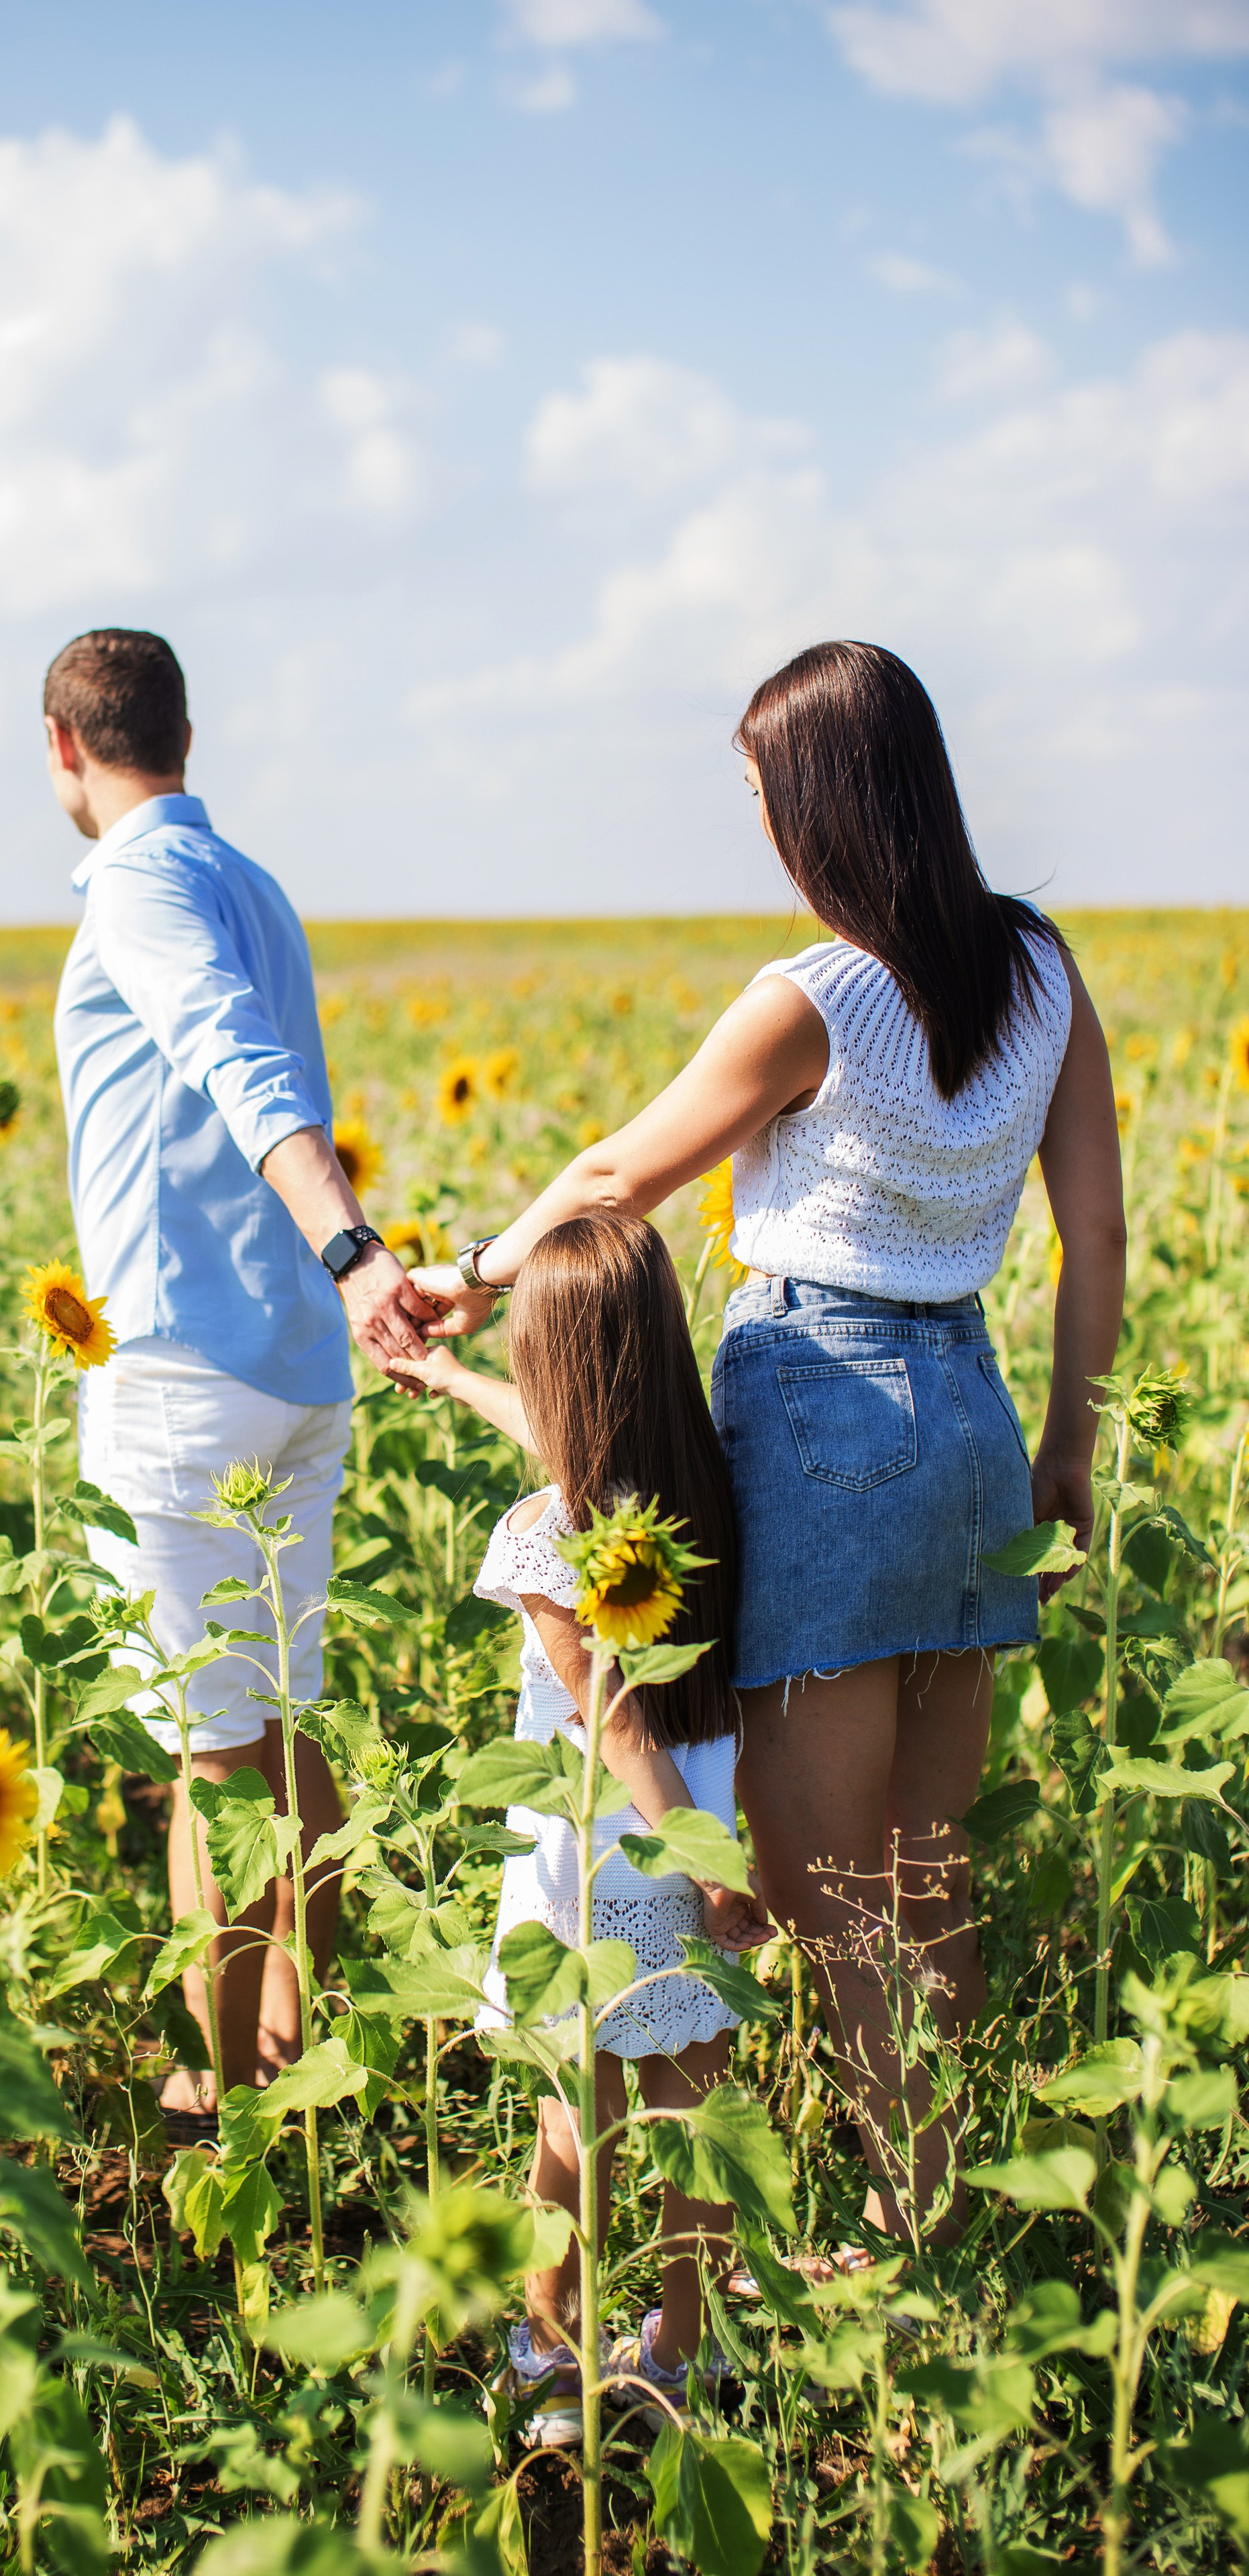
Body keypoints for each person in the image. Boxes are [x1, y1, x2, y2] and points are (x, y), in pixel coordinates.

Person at [400, 641, 1125, 2245]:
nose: (752, 822)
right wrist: (1067, 1451)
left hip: (822, 1419)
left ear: (815, 801)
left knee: (809, 1892)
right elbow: (1095, 1232)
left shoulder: (811, 997)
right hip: (974, 1423)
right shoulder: (1038, 973)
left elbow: (609, 1177)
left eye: (754, 792)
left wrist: (463, 1283)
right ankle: (936, 2204)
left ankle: (887, 2234)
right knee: (921, 1877)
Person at [45, 628, 435, 2131]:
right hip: (285, 1372)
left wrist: (352, 1251)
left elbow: (231, 1061)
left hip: (184, 1364)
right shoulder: (251, 885)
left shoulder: (141, 883)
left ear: (66, 751)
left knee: (213, 1757)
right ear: (184, 736)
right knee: (277, 1727)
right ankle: (300, 2052)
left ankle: (218, 2095)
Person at [398, 1212, 771, 2445]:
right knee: (692, 2113)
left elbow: (609, 1726)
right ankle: (679, 2347)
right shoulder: (706, 1486)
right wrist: (718, 1868)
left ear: (549, 1366)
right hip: (701, 1838)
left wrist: (695, 1875)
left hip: (601, 1862)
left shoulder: (544, 1532)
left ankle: (550, 2347)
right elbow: (563, 1439)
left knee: (578, 2117)